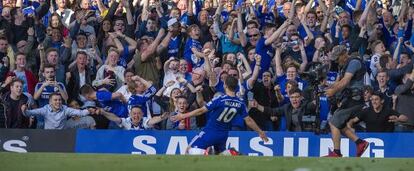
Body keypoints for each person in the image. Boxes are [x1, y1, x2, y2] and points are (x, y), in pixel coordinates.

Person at [171, 76, 268, 155]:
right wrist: (260, 131)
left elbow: (201, 111)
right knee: (220, 154)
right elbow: (248, 120)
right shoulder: (240, 102)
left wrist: (183, 116)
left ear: (225, 86)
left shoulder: (220, 99)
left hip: (210, 131)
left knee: (189, 150)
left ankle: (206, 153)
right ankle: (231, 152)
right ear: (236, 87)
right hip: (223, 134)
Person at [325, 45, 368, 157]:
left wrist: (333, 91)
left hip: (355, 99)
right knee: (340, 125)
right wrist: (326, 86)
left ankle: (336, 153)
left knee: (333, 121)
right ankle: (360, 143)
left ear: (344, 54)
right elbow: (338, 82)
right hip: (350, 98)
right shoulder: (344, 66)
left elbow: (345, 81)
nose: (336, 60)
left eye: (337, 57)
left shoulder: (353, 62)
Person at [22, 92, 96, 129]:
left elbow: (80, 113)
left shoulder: (65, 109)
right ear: (50, 102)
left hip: (62, 137)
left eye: (60, 100)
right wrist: (24, 110)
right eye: (55, 100)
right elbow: (29, 113)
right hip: (48, 136)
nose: (58, 102)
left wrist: (89, 110)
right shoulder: (45, 109)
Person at [99, 105, 168, 130]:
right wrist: (104, 113)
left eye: (138, 114)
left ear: (142, 115)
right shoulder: (127, 121)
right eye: (134, 114)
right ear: (130, 114)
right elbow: (115, 118)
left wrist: (161, 117)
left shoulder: (144, 120)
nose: (136, 116)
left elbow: (152, 121)